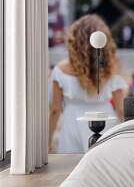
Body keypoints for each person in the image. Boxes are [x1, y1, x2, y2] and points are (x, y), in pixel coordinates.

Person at [48, 14, 127, 153]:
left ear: (75, 41)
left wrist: (47, 141)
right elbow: (121, 110)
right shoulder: (111, 69)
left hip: (72, 125)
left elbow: (55, 110)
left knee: (71, 168)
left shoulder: (61, 70)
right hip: (105, 122)